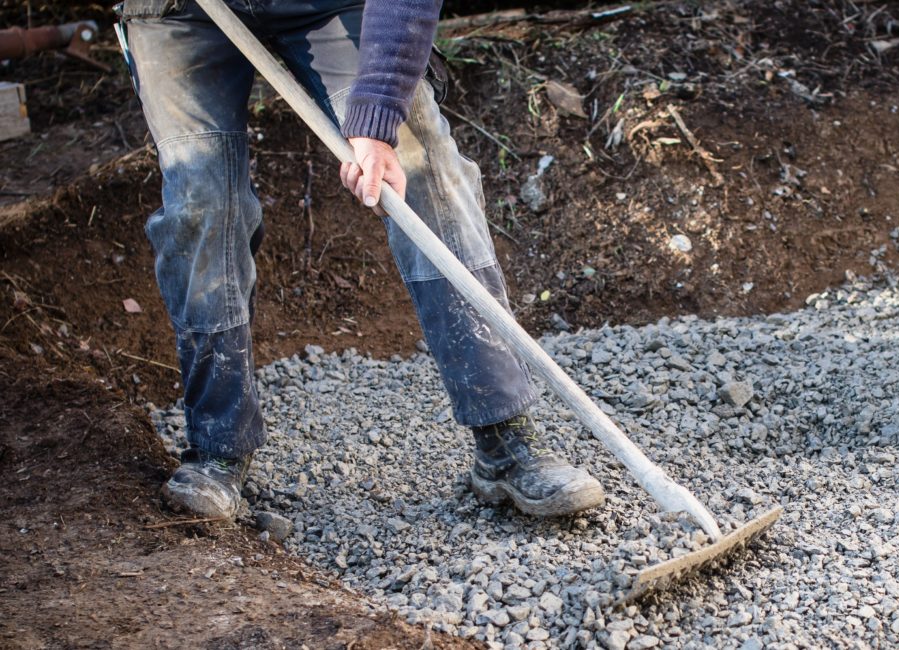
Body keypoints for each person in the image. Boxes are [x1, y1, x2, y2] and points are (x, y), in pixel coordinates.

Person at [118, 0, 605, 521]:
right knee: (202, 202)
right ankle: (216, 448)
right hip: (182, 11)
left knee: (420, 162)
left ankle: (504, 435)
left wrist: (377, 113)